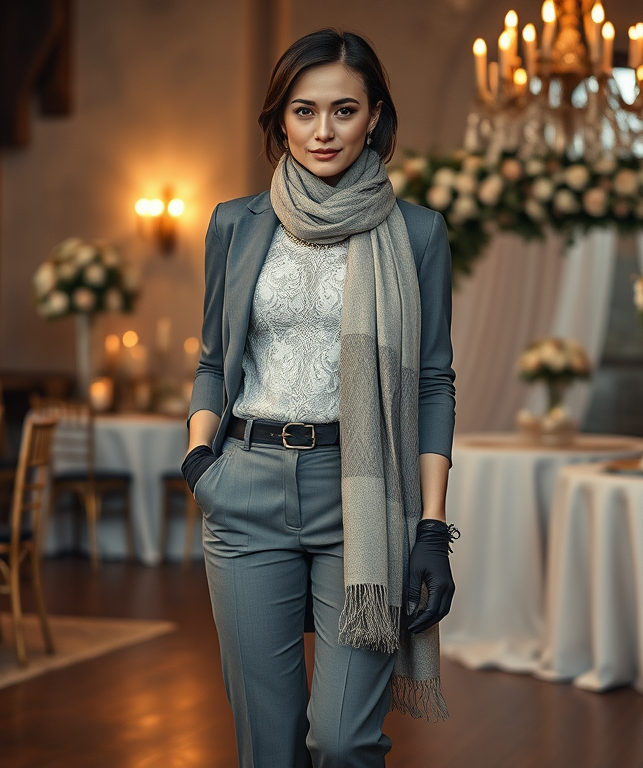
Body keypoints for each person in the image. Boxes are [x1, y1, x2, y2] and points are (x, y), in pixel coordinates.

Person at [181, 28, 457, 768]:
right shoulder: (235, 224)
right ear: (280, 120)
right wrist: (200, 461)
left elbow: (434, 382)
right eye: (304, 111)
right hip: (244, 488)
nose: (323, 130)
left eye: (344, 110)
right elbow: (215, 360)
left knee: (343, 741)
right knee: (267, 749)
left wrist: (432, 528)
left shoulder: (420, 234)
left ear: (374, 118)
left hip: (362, 500)